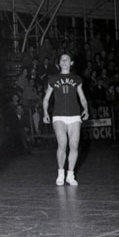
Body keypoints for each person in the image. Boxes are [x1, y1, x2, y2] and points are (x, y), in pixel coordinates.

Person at [41, 53, 89, 186]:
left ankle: (70, 175)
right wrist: (45, 112)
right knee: (62, 143)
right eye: (62, 60)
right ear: (59, 63)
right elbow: (46, 98)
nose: (64, 61)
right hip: (59, 115)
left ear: (71, 63)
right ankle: (61, 173)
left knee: (74, 145)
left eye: (67, 59)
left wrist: (86, 109)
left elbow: (82, 97)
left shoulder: (77, 79)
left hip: (75, 115)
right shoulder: (53, 79)